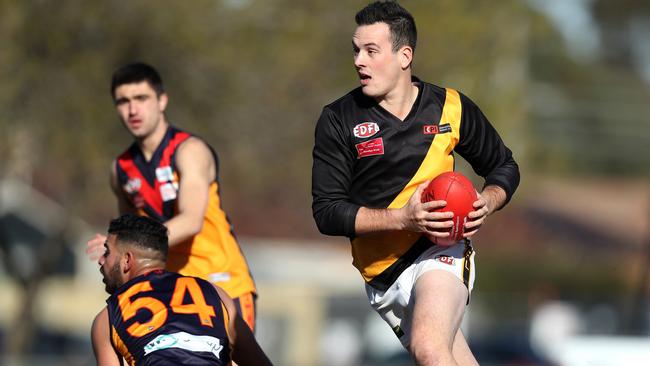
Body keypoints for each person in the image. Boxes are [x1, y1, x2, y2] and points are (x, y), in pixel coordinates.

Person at [311, 2, 520, 365]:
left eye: (371, 51)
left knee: (428, 347)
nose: (359, 60)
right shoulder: (338, 119)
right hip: (381, 277)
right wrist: (402, 218)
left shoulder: (450, 107)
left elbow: (504, 165)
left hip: (439, 250)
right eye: (356, 50)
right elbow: (327, 213)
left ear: (404, 55)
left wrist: (489, 198)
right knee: (446, 356)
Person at [87, 62, 257, 331]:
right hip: (167, 291)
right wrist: (113, 248)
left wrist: (130, 243)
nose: (132, 109)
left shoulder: (189, 150)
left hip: (219, 282)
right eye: (123, 101)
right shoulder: (121, 170)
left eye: (141, 98)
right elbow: (128, 231)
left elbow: (191, 221)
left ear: (162, 100)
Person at [90, 213, 272, 366]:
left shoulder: (107, 319)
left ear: (127, 261)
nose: (101, 260)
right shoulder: (215, 294)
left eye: (107, 252)